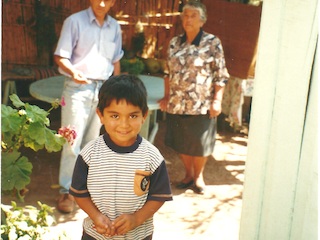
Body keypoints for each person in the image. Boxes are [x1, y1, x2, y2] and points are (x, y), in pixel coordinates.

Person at [69, 74, 173, 240]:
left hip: (138, 235)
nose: (124, 124)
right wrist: (96, 216)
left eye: (133, 116)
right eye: (115, 116)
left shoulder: (151, 157)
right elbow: (79, 193)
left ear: (144, 115)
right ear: (101, 115)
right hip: (96, 234)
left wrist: (137, 218)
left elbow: (158, 196)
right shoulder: (89, 154)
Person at [54, 0, 123, 213]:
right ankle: (66, 191)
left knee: (92, 144)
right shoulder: (74, 22)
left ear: (113, 2)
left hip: (103, 90)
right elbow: (60, 56)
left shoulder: (115, 27)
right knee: (71, 141)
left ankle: (82, 191)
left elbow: (115, 61)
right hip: (77, 88)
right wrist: (74, 72)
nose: (101, 3)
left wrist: (117, 89)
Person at [158, 0, 229, 194]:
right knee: (181, 141)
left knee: (199, 143)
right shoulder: (174, 43)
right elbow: (167, 73)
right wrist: (166, 97)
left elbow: (221, 75)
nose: (188, 19)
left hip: (201, 103)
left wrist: (217, 100)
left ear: (202, 21)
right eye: (185, 15)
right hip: (177, 102)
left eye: (193, 16)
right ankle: (188, 174)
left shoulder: (212, 43)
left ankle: (198, 177)